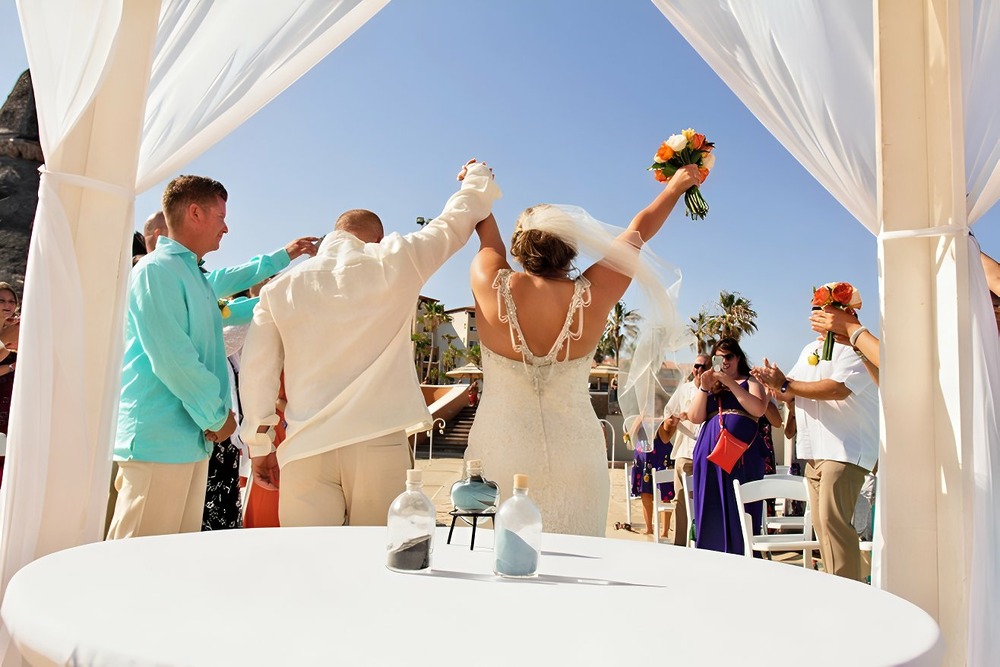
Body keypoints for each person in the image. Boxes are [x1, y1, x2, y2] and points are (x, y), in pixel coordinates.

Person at [239, 160, 501, 527]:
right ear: (375, 238)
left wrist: (259, 444)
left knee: (308, 566)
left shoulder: (279, 289)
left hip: (305, 446)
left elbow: (256, 371)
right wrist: (476, 177)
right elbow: (454, 222)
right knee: (379, 565)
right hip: (378, 441)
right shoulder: (396, 258)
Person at [464, 163, 702, 536]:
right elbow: (637, 232)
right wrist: (675, 186)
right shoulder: (594, 294)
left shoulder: (491, 282)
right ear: (571, 247)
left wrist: (478, 184)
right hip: (578, 456)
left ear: (518, 246)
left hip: (499, 451)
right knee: (581, 570)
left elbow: (487, 239)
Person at [108, 175, 240, 538]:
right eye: (220, 216)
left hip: (191, 441)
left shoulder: (194, 277)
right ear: (195, 213)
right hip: (158, 441)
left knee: (169, 565)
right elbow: (173, 357)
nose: (226, 227)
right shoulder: (156, 270)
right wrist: (217, 416)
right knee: (133, 565)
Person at [753, 291, 879, 581]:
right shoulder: (810, 348)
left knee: (833, 523)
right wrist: (774, 382)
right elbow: (789, 390)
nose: (816, 315)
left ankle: (848, 591)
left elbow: (837, 388)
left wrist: (786, 385)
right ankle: (842, 585)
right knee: (824, 528)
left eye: (823, 309)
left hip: (846, 449)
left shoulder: (856, 348)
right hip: (815, 451)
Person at [688, 338, 767, 554]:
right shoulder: (712, 388)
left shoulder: (751, 382)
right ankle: (711, 555)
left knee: (742, 506)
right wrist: (704, 388)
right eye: (718, 357)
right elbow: (695, 417)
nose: (724, 362)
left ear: (738, 357)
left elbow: (758, 409)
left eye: (728, 356)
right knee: (711, 505)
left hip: (743, 456)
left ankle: (744, 554)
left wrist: (731, 382)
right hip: (710, 456)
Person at [660, 353, 709, 546]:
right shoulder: (682, 391)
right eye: (697, 366)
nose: (699, 370)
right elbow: (666, 428)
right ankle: (679, 546)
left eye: (704, 367)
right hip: (685, 456)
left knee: (706, 503)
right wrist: (670, 422)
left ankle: (706, 545)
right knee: (682, 503)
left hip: (708, 456)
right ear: (692, 368)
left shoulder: (715, 391)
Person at [628, 415, 674, 537]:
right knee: (645, 493)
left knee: (665, 493)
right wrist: (640, 419)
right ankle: (649, 528)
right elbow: (630, 436)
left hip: (661, 455)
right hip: (643, 455)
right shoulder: (640, 416)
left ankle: (665, 531)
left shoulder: (667, 417)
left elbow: (665, 439)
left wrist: (659, 422)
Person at [0, 282, 20, 483]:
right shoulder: (9, 335)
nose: (8, 305)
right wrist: (13, 366)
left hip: (11, 401)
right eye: (1, 300)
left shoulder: (18, 329)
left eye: (12, 301)